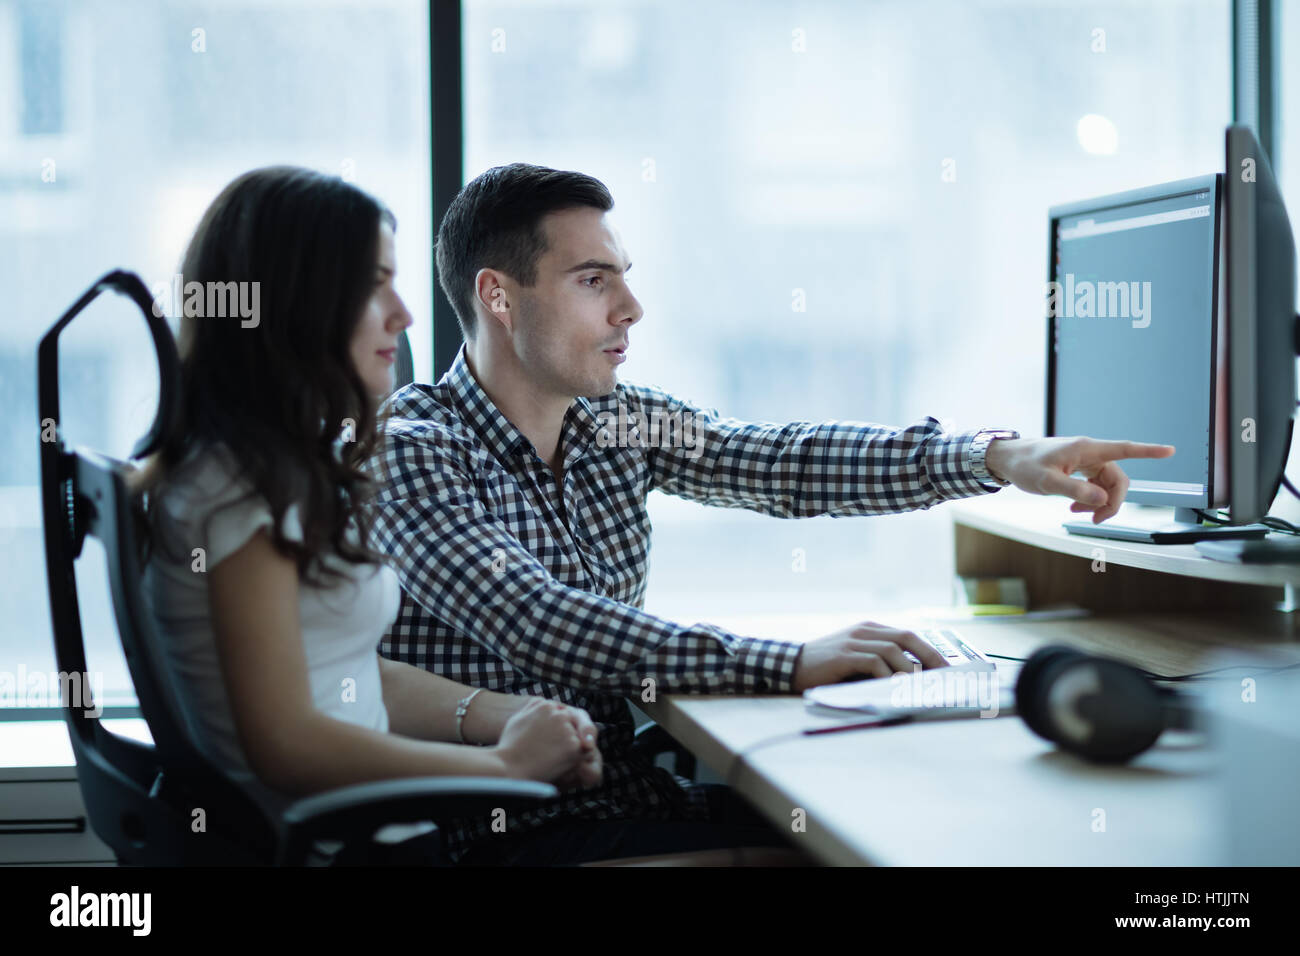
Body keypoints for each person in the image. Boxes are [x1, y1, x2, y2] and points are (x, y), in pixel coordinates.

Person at [370, 162, 1177, 866]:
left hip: (626, 802)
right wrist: (787, 662)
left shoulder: (615, 421)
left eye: (624, 274)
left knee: (911, 818)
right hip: (504, 835)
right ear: (498, 297)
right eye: (594, 280)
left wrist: (992, 458)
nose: (631, 307)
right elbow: (539, 621)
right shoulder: (415, 447)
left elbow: (780, 459)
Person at [136, 166, 601, 866]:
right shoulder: (238, 492)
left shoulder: (253, 467)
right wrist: (509, 772)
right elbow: (287, 742)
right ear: (300, 304)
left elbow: (335, 668)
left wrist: (503, 717)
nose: (404, 314)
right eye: (373, 284)